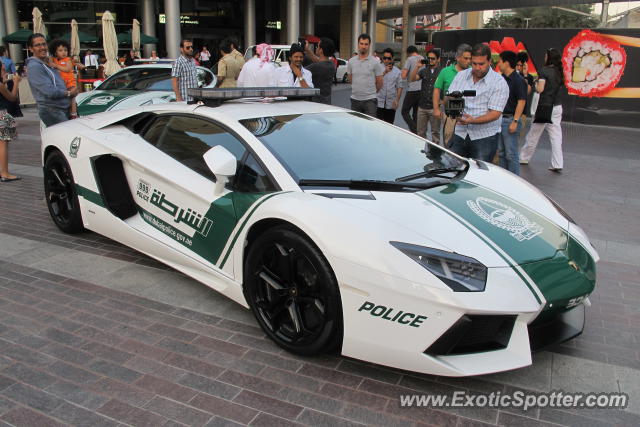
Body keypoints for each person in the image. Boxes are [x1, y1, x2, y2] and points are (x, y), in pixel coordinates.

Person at [446, 43, 509, 162]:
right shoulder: (461, 76)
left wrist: (472, 121)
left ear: (490, 61)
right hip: (460, 133)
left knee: (479, 174)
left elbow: (495, 113)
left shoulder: (499, 82)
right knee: (450, 169)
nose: (477, 67)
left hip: (484, 137)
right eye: (474, 63)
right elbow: (449, 97)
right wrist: (453, 105)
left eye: (481, 64)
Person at [519, 48, 565, 172]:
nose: (544, 57)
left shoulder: (544, 71)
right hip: (557, 107)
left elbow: (540, 89)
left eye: (546, 55)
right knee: (556, 136)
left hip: (544, 107)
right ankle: (557, 163)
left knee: (534, 134)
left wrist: (535, 84)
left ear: (549, 57)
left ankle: (524, 157)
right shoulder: (559, 71)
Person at [26, 33, 77, 127]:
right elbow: (50, 91)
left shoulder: (47, 63)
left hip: (59, 108)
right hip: (52, 109)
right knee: (64, 137)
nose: (42, 47)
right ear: (30, 48)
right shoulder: (34, 66)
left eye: (44, 44)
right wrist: (69, 93)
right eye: (38, 45)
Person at [433, 44, 472, 146]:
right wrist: (436, 108)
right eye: (466, 58)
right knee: (448, 142)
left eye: (470, 58)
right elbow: (437, 90)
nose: (468, 61)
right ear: (458, 57)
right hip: (450, 113)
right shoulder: (445, 71)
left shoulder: (473, 72)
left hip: (468, 114)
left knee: (465, 144)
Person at [496, 50, 527, 175]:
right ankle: (504, 178)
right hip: (499, 119)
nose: (498, 64)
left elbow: (521, 101)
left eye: (500, 61)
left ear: (506, 62)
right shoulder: (501, 79)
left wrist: (515, 120)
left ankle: (515, 180)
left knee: (511, 153)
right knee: (502, 153)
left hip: (510, 119)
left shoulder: (518, 80)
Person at [347, 33, 383, 116]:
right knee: (356, 126)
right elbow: (350, 79)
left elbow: (380, 82)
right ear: (358, 44)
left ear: (369, 45)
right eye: (361, 43)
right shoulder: (351, 61)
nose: (363, 46)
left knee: (370, 127)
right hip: (355, 100)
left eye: (366, 44)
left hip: (370, 101)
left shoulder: (375, 62)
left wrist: (371, 92)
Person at [410, 49, 442, 143]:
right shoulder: (424, 71)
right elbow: (412, 79)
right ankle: (422, 153)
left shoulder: (442, 71)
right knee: (420, 133)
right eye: (429, 58)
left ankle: (434, 154)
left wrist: (442, 101)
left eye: (433, 58)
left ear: (438, 59)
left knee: (435, 133)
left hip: (434, 107)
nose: (431, 60)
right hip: (422, 107)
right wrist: (417, 67)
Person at [48, 39, 79, 119]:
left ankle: (74, 112)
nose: (64, 52)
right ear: (55, 52)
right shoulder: (54, 60)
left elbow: (68, 69)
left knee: (72, 96)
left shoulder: (67, 60)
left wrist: (56, 66)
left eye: (65, 50)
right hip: (61, 83)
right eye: (60, 50)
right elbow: (49, 60)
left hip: (70, 82)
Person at [0, 61, 20, 182]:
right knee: (3, 145)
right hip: (1, 115)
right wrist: (16, 83)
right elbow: (12, 98)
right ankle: (5, 173)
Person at [304, 37, 336, 104]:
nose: (316, 47)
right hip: (327, 101)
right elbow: (319, 61)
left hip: (316, 103)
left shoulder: (316, 67)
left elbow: (300, 71)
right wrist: (307, 50)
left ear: (321, 50)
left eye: (317, 46)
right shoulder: (332, 65)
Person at [376, 48, 402, 124]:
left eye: (389, 58)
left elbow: (399, 87)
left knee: (389, 125)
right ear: (382, 58)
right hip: (379, 102)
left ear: (392, 59)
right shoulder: (377, 68)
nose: (386, 60)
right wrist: (384, 72)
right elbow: (374, 82)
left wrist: (397, 100)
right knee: (378, 126)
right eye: (384, 58)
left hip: (391, 103)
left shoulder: (397, 71)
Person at [401, 45, 423, 133]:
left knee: (404, 111)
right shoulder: (423, 58)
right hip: (422, 89)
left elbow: (403, 75)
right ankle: (417, 133)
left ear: (408, 53)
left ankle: (414, 131)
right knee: (416, 114)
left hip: (412, 89)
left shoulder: (410, 59)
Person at [516, 52, 536, 139]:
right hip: (509, 111)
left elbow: (527, 92)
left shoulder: (529, 77)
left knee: (516, 137)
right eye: (517, 65)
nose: (519, 67)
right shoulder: (510, 75)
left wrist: (525, 75)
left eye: (521, 65)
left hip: (522, 112)